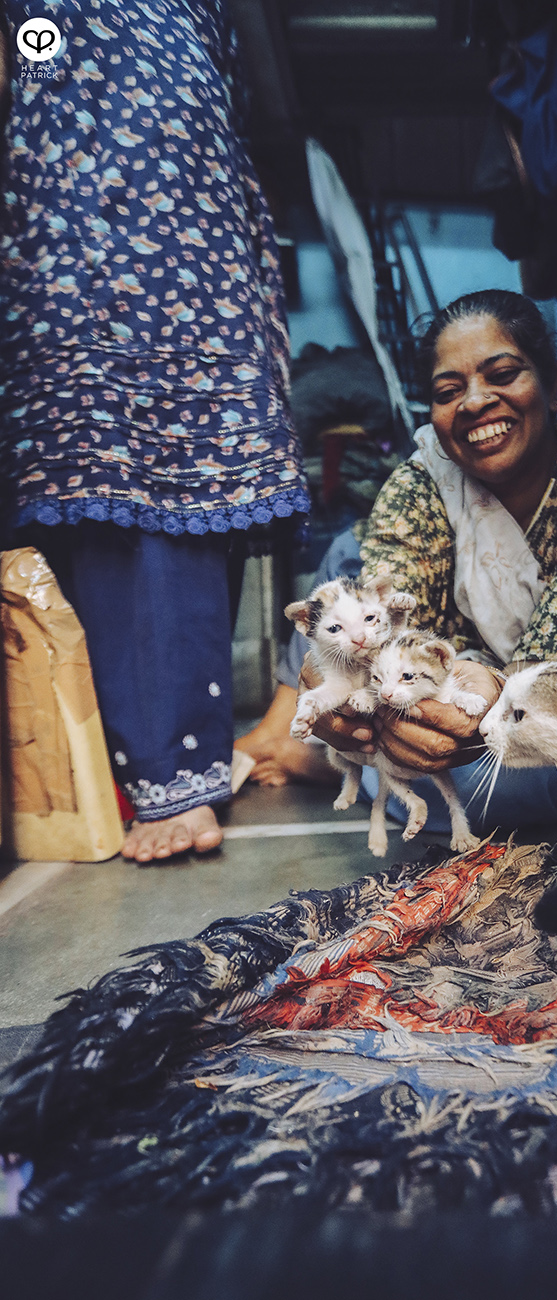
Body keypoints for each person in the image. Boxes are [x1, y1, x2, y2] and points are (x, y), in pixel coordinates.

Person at [0, 0, 308, 861]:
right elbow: (34, 63)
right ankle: (108, 777)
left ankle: (175, 781)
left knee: (178, 500)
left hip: (184, 237)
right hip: (80, 219)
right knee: (97, 490)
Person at [239, 289, 557, 834]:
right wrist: (381, 708)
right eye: (449, 390)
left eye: (503, 373)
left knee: (501, 794)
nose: (473, 402)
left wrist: (476, 692)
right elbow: (390, 641)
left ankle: (337, 764)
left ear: (552, 383)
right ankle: (296, 736)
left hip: (531, 699)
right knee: (349, 581)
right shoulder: (420, 486)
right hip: (438, 683)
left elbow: (553, 674)